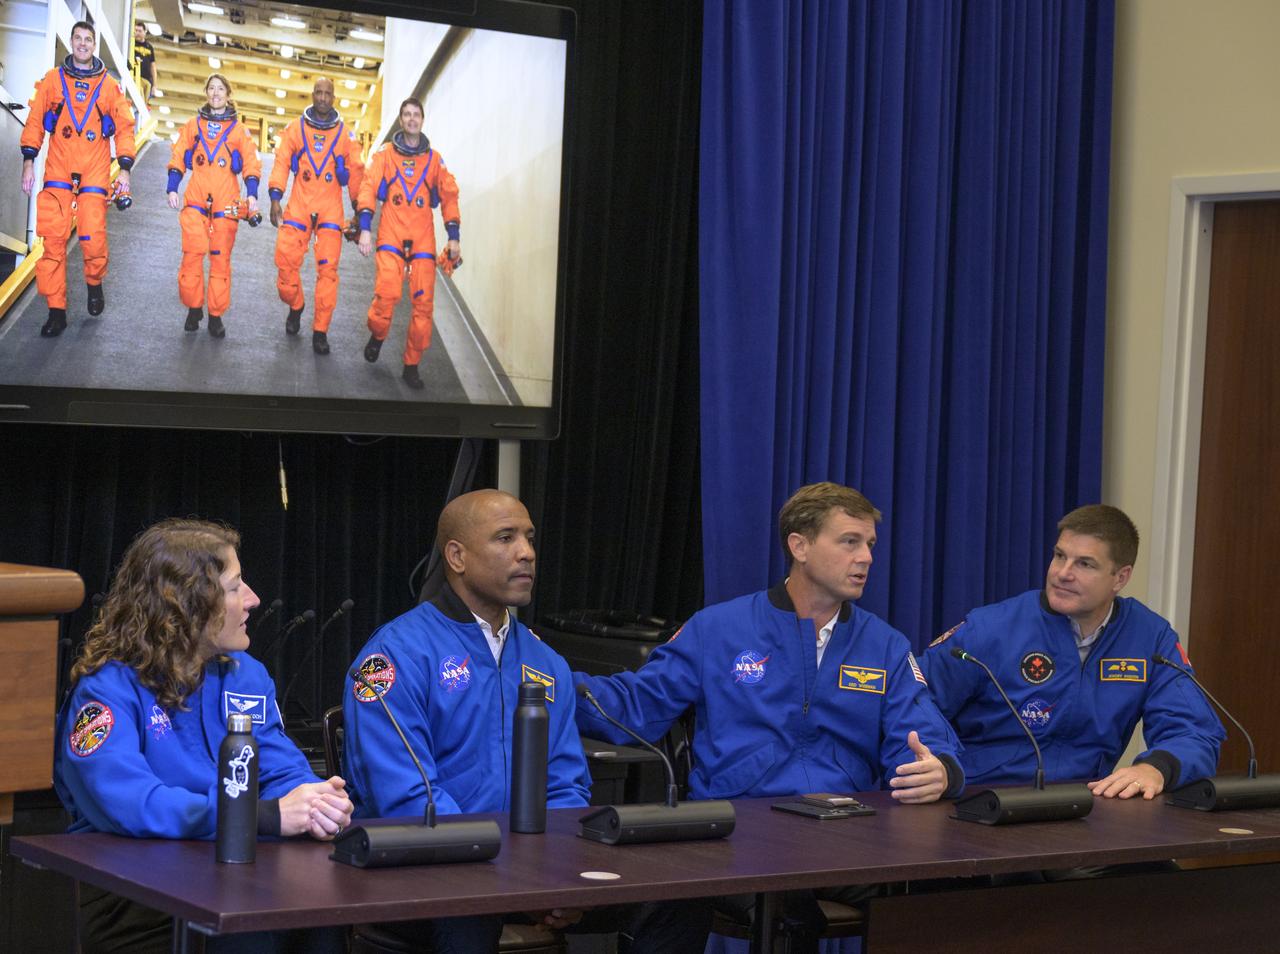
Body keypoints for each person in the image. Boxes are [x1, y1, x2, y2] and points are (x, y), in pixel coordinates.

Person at [574, 482, 966, 951]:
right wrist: (551, 682)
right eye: (849, 542)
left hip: (846, 835)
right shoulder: (719, 629)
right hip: (740, 831)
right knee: (780, 910)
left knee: (946, 893)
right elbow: (634, 706)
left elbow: (920, 731)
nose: (865, 558)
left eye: (870, 545)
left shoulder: (884, 645)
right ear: (799, 545)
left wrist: (939, 769)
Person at [343, 489, 704, 953]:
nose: (527, 553)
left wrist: (555, 871)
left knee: (677, 897)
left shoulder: (544, 661)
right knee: (472, 912)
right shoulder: (393, 654)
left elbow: (565, 785)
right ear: (457, 556)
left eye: (530, 538)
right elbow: (407, 799)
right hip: (426, 869)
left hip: (523, 869)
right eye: (505, 538)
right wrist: (508, 873)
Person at [54, 518, 352, 954]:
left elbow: (279, 766)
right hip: (140, 895)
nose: (252, 599)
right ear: (185, 603)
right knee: (249, 937)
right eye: (234, 588)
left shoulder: (245, 674)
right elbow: (132, 805)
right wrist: (263, 816)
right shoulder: (106, 690)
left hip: (240, 875)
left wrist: (315, 803)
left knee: (324, 920)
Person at [920, 504, 1225, 799]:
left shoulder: (1150, 638)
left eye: (1085, 564)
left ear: (1120, 577)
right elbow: (916, 704)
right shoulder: (990, 629)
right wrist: (946, 767)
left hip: (1083, 805)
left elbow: (1194, 731)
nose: (1062, 573)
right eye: (1059, 556)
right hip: (983, 800)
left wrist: (1157, 768)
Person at [20, 19, 136, 337]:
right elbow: (34, 122)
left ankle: (94, 283)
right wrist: (29, 161)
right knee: (53, 242)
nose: (83, 44)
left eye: (88, 39)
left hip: (94, 170)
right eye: (78, 38)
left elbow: (125, 127)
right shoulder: (52, 81)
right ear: (71, 42)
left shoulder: (109, 86)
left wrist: (124, 167)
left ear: (94, 45)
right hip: (58, 168)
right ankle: (56, 311)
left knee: (92, 235)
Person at [355, 97, 462, 390]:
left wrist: (454, 237)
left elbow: (449, 194)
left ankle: (411, 364)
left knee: (423, 305)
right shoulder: (385, 156)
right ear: (401, 121)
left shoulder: (434, 160)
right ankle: (378, 335)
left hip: (422, 238)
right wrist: (365, 228)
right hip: (390, 232)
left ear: (422, 121)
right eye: (407, 115)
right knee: (387, 293)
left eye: (416, 115)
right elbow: (367, 186)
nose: (412, 119)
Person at [268, 77, 365, 355]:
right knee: (285, 266)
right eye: (319, 92)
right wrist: (276, 197)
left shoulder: (346, 136)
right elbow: (282, 161)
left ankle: (320, 330)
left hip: (330, 210)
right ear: (312, 95)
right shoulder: (295, 129)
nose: (323, 97)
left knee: (328, 273)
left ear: (333, 98)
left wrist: (359, 212)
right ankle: (296, 305)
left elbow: (357, 174)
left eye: (327, 94)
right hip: (299, 204)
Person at [166, 73, 261, 338]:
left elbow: (252, 162)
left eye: (221, 89)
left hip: (226, 204)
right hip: (196, 200)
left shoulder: (239, 131)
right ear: (206, 93)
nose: (216, 93)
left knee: (220, 261)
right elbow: (178, 153)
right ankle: (194, 308)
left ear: (228, 94)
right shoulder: (193, 126)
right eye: (212, 88)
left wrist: (251, 194)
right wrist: (172, 186)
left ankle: (215, 315)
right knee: (192, 256)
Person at [131, 21, 158, 103]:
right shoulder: (131, 43)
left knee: (145, 101)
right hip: (134, 76)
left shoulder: (149, 47)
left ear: (145, 32)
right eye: (136, 30)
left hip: (146, 80)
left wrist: (155, 85)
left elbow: (153, 66)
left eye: (140, 31)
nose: (137, 33)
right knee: (140, 95)